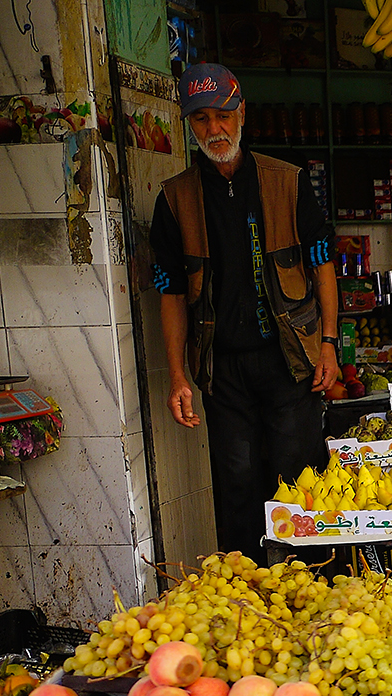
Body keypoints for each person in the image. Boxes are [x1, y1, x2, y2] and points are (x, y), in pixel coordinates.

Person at [151, 63, 340, 560]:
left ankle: (314, 585)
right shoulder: (174, 199)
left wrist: (329, 344)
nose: (214, 129)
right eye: (201, 120)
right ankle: (250, 596)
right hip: (223, 368)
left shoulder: (290, 183)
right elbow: (170, 293)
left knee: (298, 479)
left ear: (242, 113)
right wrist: (176, 375)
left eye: (222, 115)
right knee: (236, 488)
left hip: (289, 359)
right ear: (189, 127)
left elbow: (323, 269)